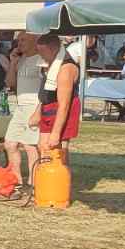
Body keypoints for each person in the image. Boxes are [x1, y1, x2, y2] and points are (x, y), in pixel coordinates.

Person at [32, 32, 81, 164]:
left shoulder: (66, 69)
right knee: (42, 146)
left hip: (62, 110)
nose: (40, 55)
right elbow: (46, 92)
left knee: (58, 150)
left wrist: (56, 133)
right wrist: (37, 112)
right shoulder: (51, 64)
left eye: (42, 52)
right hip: (49, 108)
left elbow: (64, 105)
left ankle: (61, 176)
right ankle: (45, 176)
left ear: (53, 49)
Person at [3, 32, 43, 189]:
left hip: (35, 106)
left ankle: (33, 183)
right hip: (20, 107)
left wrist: (39, 110)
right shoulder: (21, 60)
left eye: (23, 40)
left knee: (30, 146)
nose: (19, 43)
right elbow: (9, 83)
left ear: (34, 40)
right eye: (18, 40)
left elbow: (46, 88)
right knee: (10, 143)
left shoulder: (41, 60)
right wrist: (13, 63)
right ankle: (16, 179)